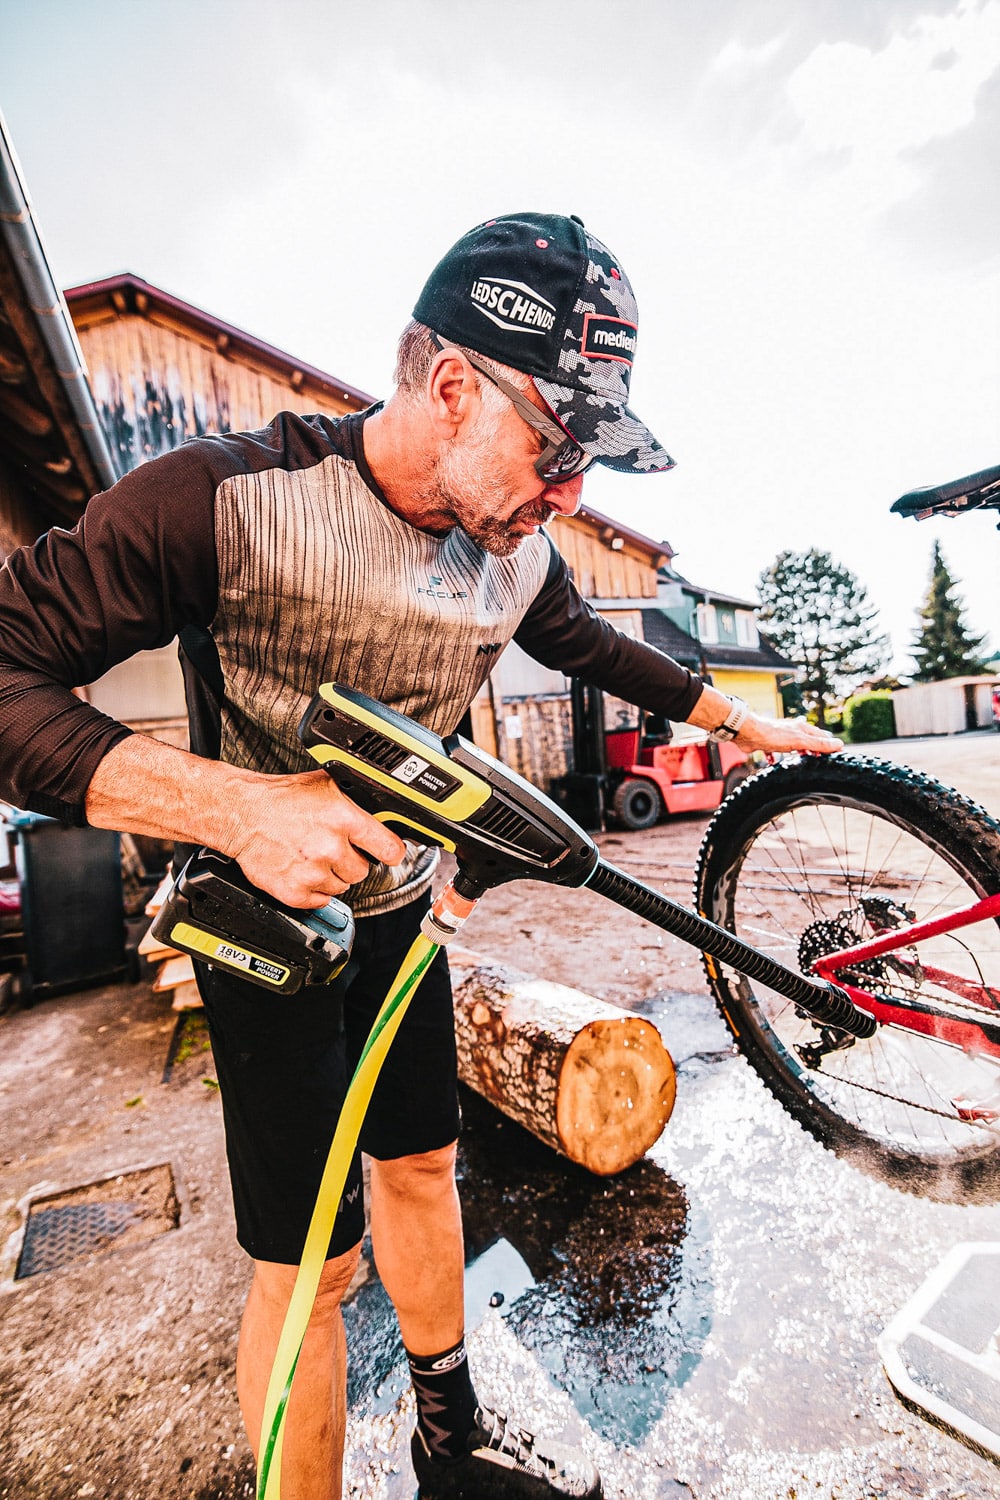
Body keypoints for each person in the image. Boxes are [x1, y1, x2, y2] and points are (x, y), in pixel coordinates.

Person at [0, 212, 841, 1500]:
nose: (571, 496)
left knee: (427, 1164)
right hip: (267, 931)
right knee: (311, 1267)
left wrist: (740, 718)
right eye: (558, 448)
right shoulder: (223, 502)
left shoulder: (517, 557)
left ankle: (452, 1449)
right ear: (453, 384)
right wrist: (234, 807)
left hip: (397, 916)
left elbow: (602, 651)